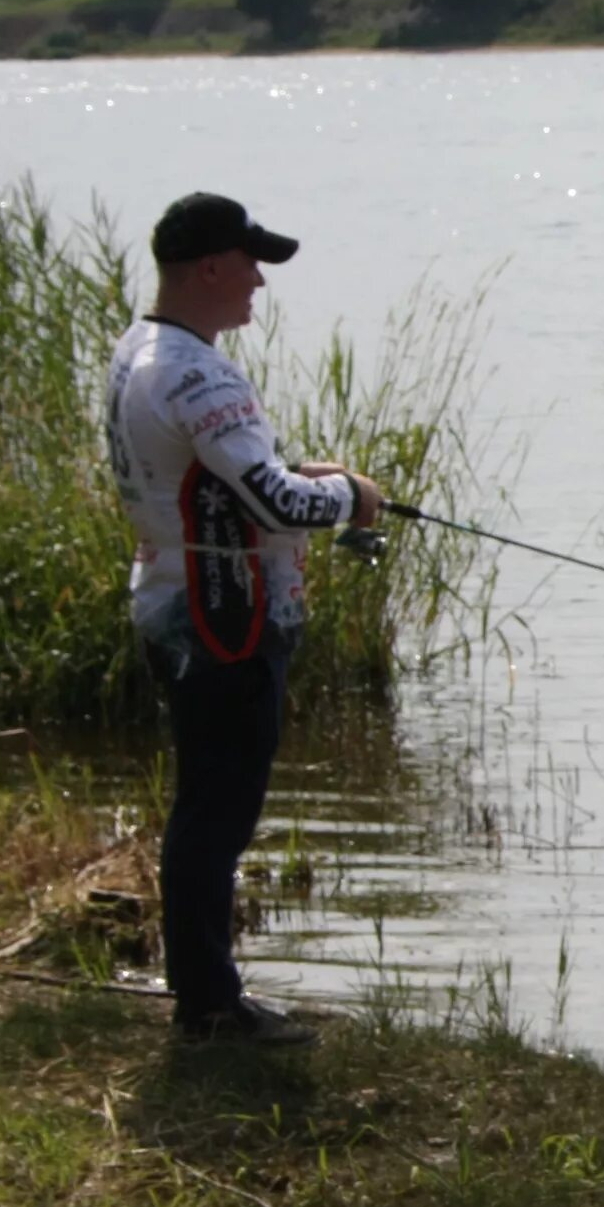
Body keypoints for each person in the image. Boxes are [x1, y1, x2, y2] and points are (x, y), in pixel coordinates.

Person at [104, 194, 385, 1046]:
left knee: (205, 809)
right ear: (211, 268)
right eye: (251, 263)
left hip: (173, 600)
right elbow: (275, 501)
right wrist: (350, 494)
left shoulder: (143, 350)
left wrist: (301, 469)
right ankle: (211, 1008)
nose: (260, 282)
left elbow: (216, 476)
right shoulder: (197, 372)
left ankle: (203, 989)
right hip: (221, 624)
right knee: (217, 817)